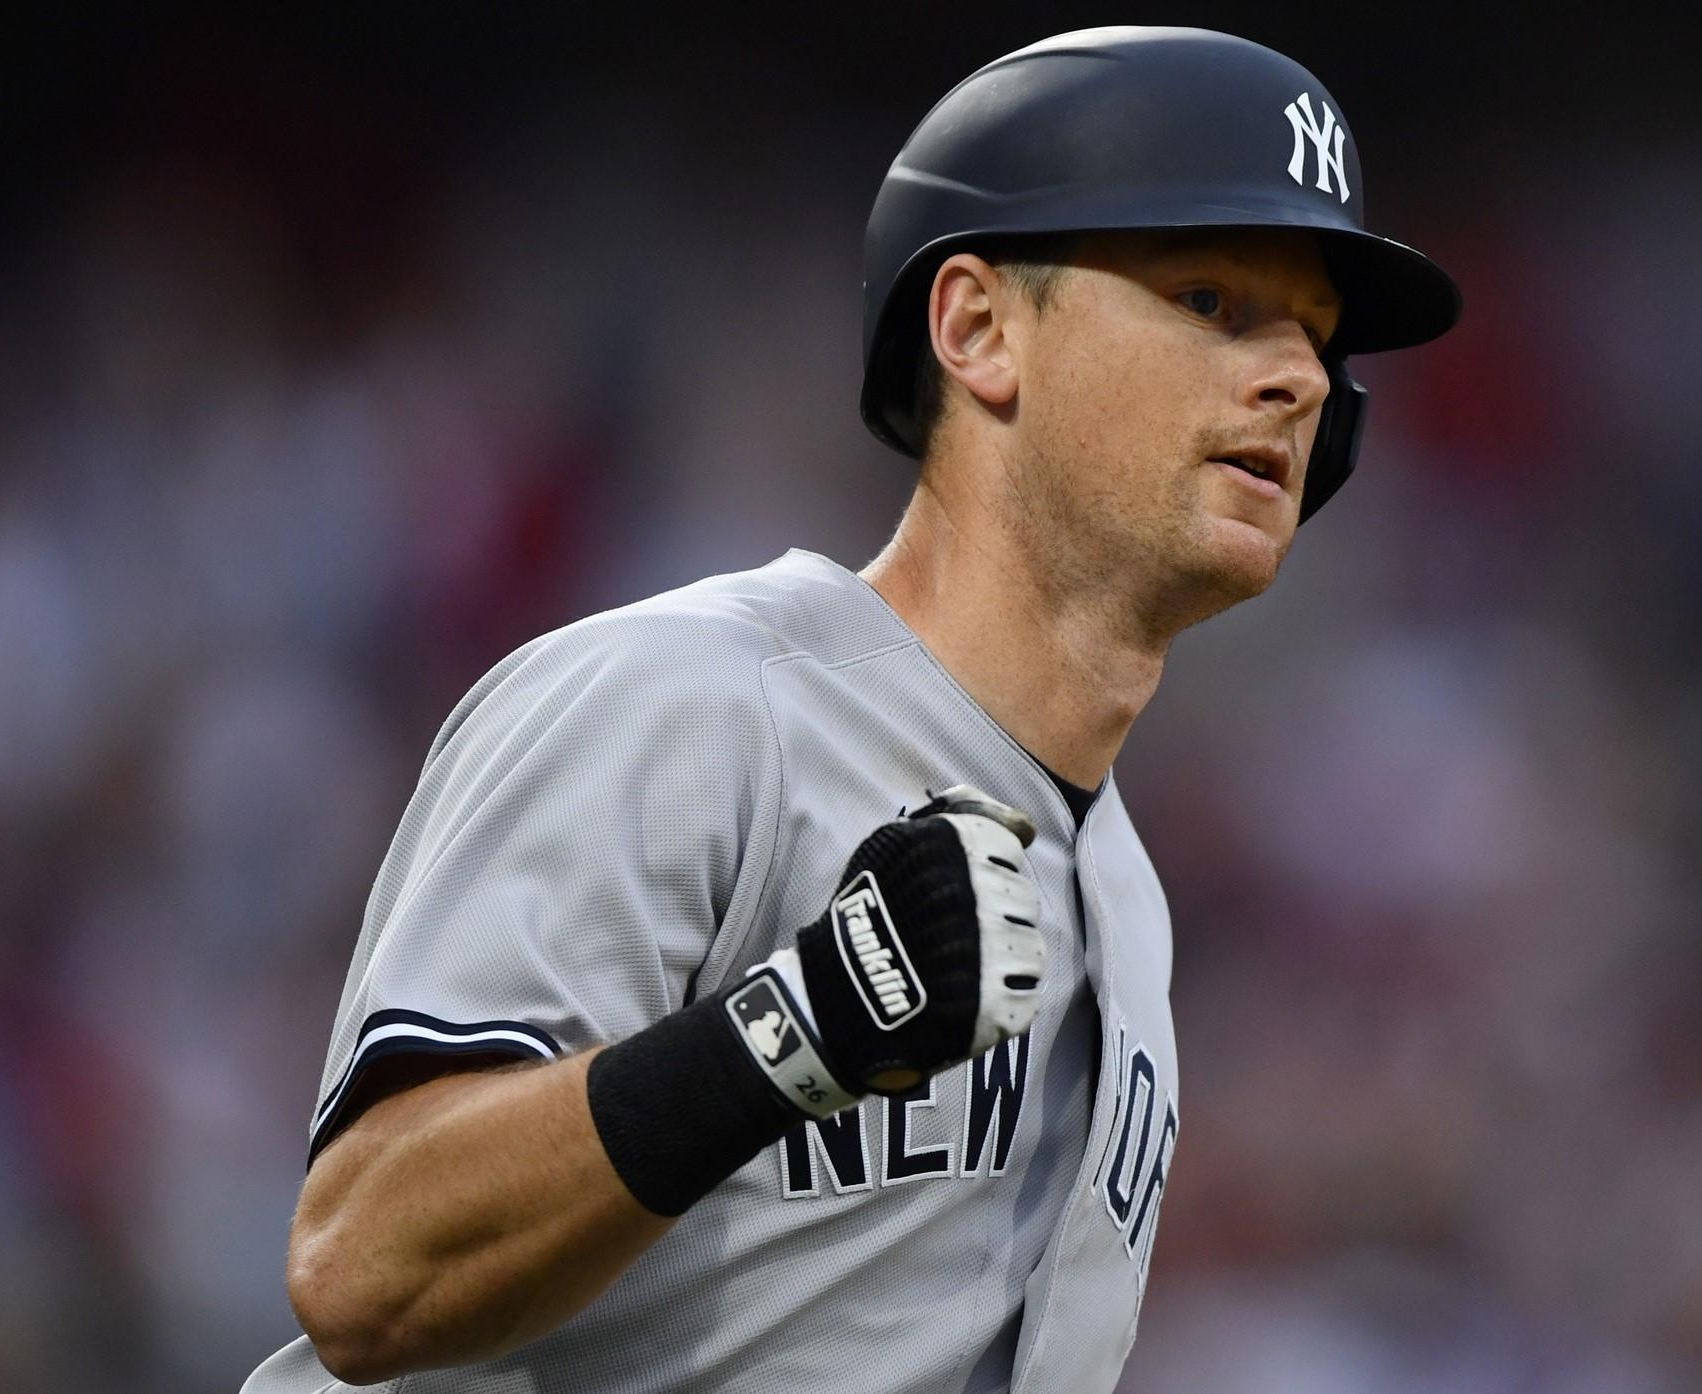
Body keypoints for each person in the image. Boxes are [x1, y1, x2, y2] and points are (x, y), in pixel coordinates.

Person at [241, 25, 1457, 1394]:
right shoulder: (687, 697)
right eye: (1212, 300)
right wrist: (790, 1031)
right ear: (978, 328)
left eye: (1317, 337)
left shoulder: (1122, 889)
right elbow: (365, 1261)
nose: (1296, 379)